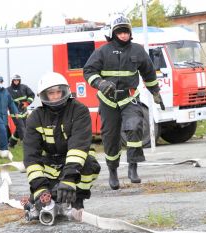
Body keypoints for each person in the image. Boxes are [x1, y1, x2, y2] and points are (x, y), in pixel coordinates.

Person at [83, 14, 164, 190]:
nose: (124, 35)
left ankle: (133, 168)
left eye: (126, 31)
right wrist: (100, 83)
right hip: (108, 101)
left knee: (135, 127)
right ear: (113, 33)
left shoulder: (138, 50)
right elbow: (88, 71)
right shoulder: (102, 52)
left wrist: (156, 93)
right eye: (120, 32)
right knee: (110, 138)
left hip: (129, 98)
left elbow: (149, 74)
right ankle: (113, 172)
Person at [23, 72, 100, 211]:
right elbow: (31, 156)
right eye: (51, 93)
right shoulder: (35, 118)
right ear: (43, 96)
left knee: (89, 164)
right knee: (43, 200)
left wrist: (69, 179)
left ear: (66, 91)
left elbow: (78, 145)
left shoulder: (79, 110)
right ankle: (52, 198)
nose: (56, 96)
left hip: (76, 162)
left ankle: (78, 201)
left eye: (59, 91)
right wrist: (40, 187)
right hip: (51, 162)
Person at [0, 76, 18, 158]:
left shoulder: (6, 92)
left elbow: (11, 103)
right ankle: (4, 149)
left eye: (1, 82)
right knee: (2, 129)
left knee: (4, 131)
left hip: (4, 115)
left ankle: (1, 148)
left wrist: (15, 112)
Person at [7, 74, 35, 148]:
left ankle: (11, 143)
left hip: (24, 111)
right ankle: (27, 145)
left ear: (19, 80)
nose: (16, 82)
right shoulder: (8, 90)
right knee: (21, 128)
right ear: (12, 81)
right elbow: (6, 101)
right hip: (15, 113)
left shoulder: (24, 87)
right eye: (15, 80)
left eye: (17, 80)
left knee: (21, 128)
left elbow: (32, 95)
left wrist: (27, 103)